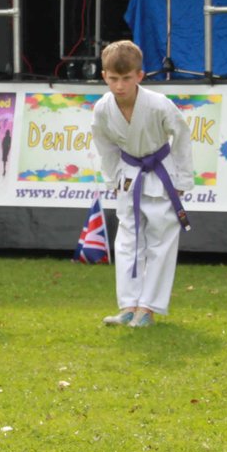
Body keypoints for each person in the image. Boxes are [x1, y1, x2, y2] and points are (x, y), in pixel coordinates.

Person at [91, 39, 194, 328]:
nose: (119, 86)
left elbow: (182, 136)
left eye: (126, 78)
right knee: (127, 241)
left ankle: (148, 308)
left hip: (161, 173)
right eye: (113, 79)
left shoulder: (159, 104)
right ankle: (128, 305)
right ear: (104, 76)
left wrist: (182, 178)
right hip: (128, 175)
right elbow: (104, 145)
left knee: (161, 241)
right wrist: (112, 176)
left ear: (140, 75)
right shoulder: (102, 109)